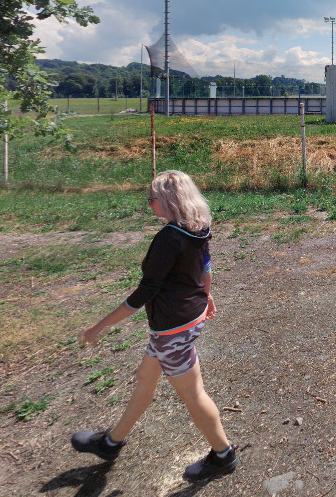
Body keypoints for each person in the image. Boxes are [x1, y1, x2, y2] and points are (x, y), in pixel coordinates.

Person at [70, 170, 237, 481]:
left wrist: (99, 326)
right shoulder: (197, 228)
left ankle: (223, 455)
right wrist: (207, 295)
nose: (149, 206)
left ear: (170, 201)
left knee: (194, 394)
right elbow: (205, 265)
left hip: (172, 328)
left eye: (152, 200)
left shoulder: (169, 238)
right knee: (145, 378)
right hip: (186, 318)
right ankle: (111, 441)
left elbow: (146, 291)